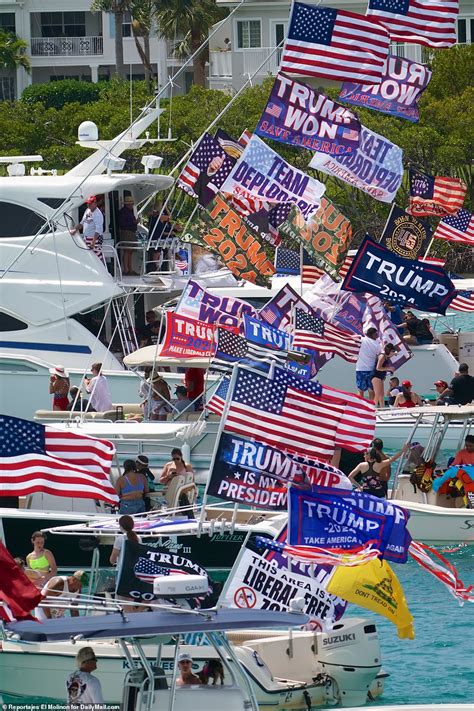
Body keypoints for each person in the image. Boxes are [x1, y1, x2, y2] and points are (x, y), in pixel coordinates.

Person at [71, 196, 104, 260]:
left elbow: (98, 230)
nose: (88, 205)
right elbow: (81, 223)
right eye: (87, 203)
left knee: (98, 258)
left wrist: (93, 242)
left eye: (90, 203)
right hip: (86, 238)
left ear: (95, 203)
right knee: (89, 257)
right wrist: (74, 230)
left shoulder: (98, 214)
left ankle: (103, 269)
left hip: (94, 239)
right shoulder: (87, 210)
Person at [355, 327, 380, 399]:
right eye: (376, 334)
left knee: (360, 389)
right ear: (372, 334)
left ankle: (360, 407)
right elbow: (379, 356)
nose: (377, 335)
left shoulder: (361, 340)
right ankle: (371, 406)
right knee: (371, 390)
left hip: (360, 368)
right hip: (371, 369)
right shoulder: (377, 345)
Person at [118, 195, 139, 276]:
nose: (131, 205)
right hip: (126, 232)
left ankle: (130, 269)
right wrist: (134, 222)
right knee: (127, 251)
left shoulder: (131, 212)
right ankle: (126, 269)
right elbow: (122, 223)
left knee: (130, 251)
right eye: (130, 204)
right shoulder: (123, 212)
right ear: (126, 204)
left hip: (132, 232)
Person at [371, 343, 396, 408]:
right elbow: (378, 368)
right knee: (377, 394)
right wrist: (389, 368)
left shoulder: (386, 356)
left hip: (381, 377)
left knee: (381, 395)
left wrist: (394, 354)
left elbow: (389, 355)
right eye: (392, 351)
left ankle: (382, 409)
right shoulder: (382, 356)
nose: (393, 353)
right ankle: (372, 409)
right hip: (376, 376)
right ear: (389, 351)